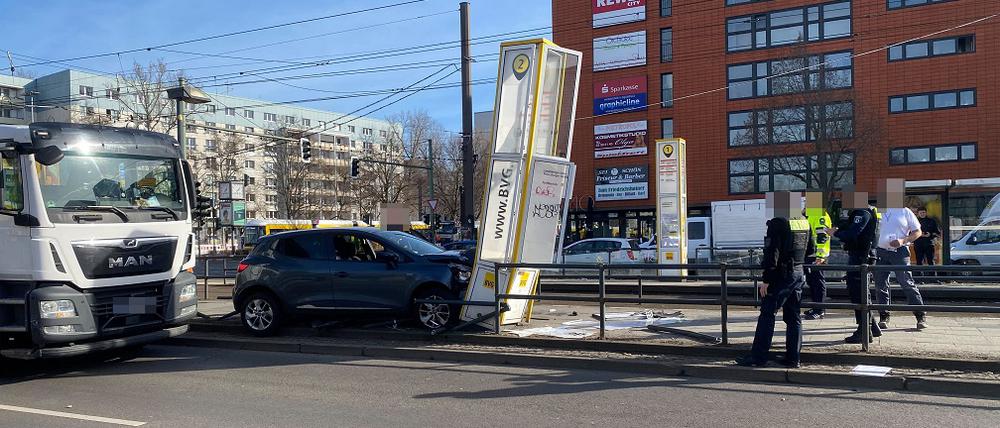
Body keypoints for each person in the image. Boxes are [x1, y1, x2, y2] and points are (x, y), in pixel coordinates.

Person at [736, 191, 814, 368]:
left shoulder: (778, 222)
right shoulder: (804, 221)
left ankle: (758, 357)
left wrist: (767, 279)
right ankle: (793, 358)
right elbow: (810, 249)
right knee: (794, 317)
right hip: (799, 272)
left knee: (767, 314)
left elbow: (772, 254)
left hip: (781, 275)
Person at [831, 190, 882, 344]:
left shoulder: (862, 213)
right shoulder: (869, 211)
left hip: (861, 257)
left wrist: (836, 234)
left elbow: (853, 233)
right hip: (865, 255)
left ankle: (863, 331)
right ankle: (872, 327)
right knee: (861, 292)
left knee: (858, 294)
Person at [874, 197, 928, 330]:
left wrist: (903, 240)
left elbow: (918, 232)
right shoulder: (878, 211)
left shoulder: (905, 211)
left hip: (900, 251)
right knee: (880, 284)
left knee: (906, 282)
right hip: (881, 251)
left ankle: (920, 315)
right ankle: (884, 315)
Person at [803, 202, 832, 320]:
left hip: (817, 256)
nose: (805, 205)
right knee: (812, 282)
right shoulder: (812, 214)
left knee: (818, 282)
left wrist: (820, 256)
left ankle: (820, 309)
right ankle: (816, 306)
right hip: (811, 254)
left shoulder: (820, 215)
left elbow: (822, 237)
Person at [914, 208, 941, 275]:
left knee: (931, 261)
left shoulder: (931, 221)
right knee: (919, 261)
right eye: (921, 213)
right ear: (918, 213)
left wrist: (930, 234)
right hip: (918, 243)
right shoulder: (915, 222)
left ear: (926, 213)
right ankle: (919, 278)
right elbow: (910, 232)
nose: (922, 214)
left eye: (923, 212)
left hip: (929, 243)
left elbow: (937, 233)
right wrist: (919, 235)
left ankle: (933, 278)